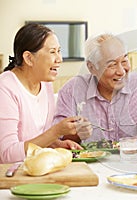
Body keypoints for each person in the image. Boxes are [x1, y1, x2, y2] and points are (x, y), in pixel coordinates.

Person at [53, 33, 137, 153]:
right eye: (112, 65)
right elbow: (59, 141)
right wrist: (77, 134)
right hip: (88, 165)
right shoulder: (72, 90)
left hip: (133, 161)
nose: (121, 71)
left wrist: (130, 151)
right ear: (91, 67)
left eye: (124, 61)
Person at [0, 23, 92, 164]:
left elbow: (35, 138)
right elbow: (7, 155)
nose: (59, 59)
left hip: (35, 170)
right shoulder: (5, 87)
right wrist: (56, 132)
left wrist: (55, 144)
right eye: (52, 52)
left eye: (59, 51)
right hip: (10, 177)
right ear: (29, 58)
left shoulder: (45, 84)